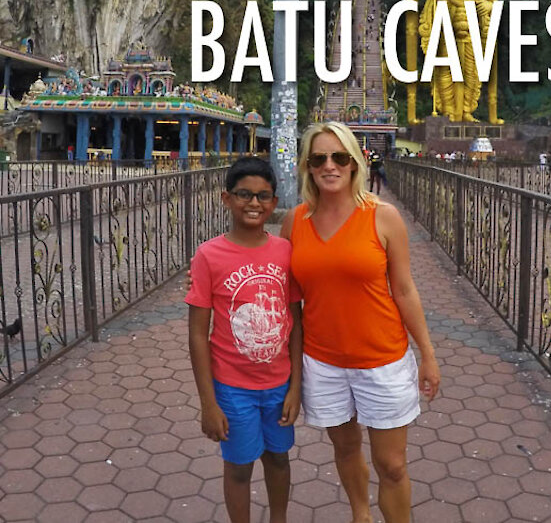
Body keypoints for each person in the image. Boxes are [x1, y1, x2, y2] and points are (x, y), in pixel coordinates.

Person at [282, 121, 441, 523]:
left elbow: (404, 290)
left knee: (392, 465)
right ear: (307, 166)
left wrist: (427, 354)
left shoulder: (382, 216)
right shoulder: (295, 221)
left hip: (382, 359)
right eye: (319, 158)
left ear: (355, 163)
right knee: (346, 449)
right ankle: (360, 515)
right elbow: (284, 295)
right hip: (324, 361)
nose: (329, 166)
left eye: (340, 157)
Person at [186, 157, 303, 523]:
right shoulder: (209, 255)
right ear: (226, 199)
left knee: (278, 458)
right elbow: (196, 334)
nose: (254, 204)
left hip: (278, 384)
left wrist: (296, 387)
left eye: (263, 196)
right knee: (238, 467)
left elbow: (296, 323)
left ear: (274, 201)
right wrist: (208, 402)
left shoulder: (285, 252)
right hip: (232, 387)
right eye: (244, 195)